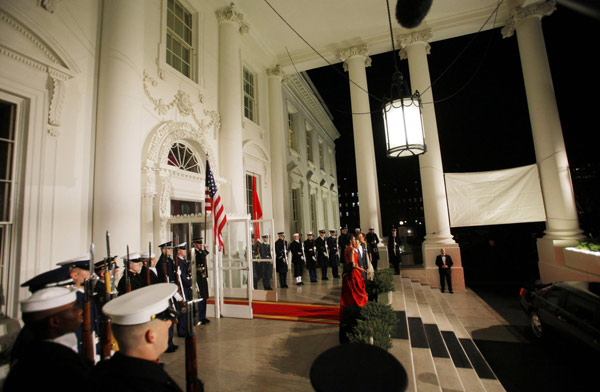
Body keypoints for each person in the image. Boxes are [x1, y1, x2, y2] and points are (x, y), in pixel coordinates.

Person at [91, 283, 183, 392]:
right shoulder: (153, 385)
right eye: (166, 323)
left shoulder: (99, 372)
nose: (171, 323)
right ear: (151, 336)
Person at [4, 287, 91, 391]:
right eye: (73, 308)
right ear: (54, 322)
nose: (80, 311)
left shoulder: (34, 354)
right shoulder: (60, 364)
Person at [57, 256, 100, 357]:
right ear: (75, 276)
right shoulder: (74, 299)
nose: (92, 275)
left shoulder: (85, 295)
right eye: (88, 272)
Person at [339, 234, 368, 343]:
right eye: (355, 239)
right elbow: (352, 263)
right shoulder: (351, 249)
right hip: (353, 274)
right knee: (356, 292)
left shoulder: (348, 248)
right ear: (351, 240)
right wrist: (361, 269)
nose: (356, 240)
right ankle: (357, 306)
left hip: (352, 273)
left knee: (353, 292)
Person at [154, 241, 179, 353]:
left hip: (171, 290)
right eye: (169, 249)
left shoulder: (169, 260)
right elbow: (163, 279)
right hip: (166, 292)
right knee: (167, 318)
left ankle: (170, 342)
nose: (171, 251)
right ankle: (167, 344)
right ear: (163, 250)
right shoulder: (161, 263)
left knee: (171, 317)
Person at [174, 242, 192, 337]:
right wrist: (189, 283)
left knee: (186, 309)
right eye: (183, 249)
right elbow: (182, 277)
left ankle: (185, 328)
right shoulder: (178, 261)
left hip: (186, 287)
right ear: (179, 251)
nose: (185, 251)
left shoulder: (183, 261)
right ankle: (182, 330)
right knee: (183, 310)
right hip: (183, 288)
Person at [192, 237, 210, 325]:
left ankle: (203, 316)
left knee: (204, 296)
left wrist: (206, 274)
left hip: (202, 276)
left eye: (200, 244)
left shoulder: (200, 251)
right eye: (198, 244)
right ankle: (198, 317)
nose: (200, 245)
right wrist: (205, 251)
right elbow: (200, 258)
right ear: (194, 244)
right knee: (200, 297)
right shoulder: (193, 252)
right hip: (197, 277)